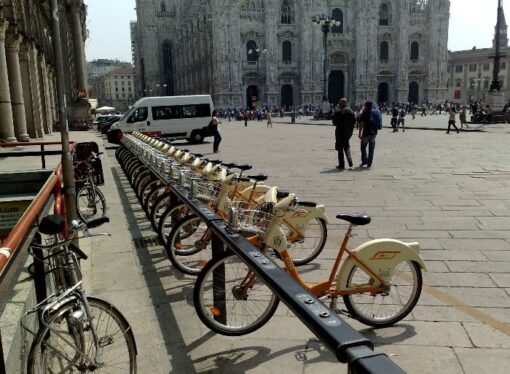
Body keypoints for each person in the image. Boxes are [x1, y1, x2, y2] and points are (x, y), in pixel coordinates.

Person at [332, 98, 356, 169]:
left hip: (339, 132)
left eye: (339, 103)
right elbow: (354, 121)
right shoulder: (351, 112)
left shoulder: (338, 112)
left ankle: (341, 164)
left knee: (340, 148)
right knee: (347, 146)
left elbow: (334, 123)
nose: (338, 104)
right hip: (348, 132)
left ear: (342, 104)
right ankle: (350, 160)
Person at [358, 101, 380, 168]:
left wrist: (359, 133)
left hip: (367, 132)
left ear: (366, 106)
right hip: (374, 133)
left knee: (363, 147)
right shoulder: (376, 112)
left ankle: (365, 160)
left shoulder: (365, 113)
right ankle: (369, 163)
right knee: (371, 148)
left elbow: (361, 124)